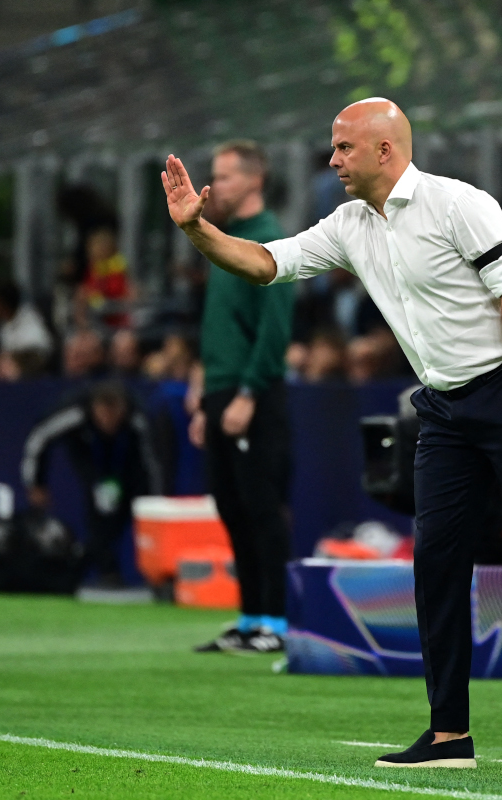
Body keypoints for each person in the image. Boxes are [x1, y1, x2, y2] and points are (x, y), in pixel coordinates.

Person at [161, 99, 502, 774]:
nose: (331, 161)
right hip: (444, 410)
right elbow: (266, 263)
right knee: (437, 562)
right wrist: (197, 230)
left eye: (342, 149)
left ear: (384, 151)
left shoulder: (459, 203)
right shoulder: (349, 224)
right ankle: (450, 735)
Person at [183, 140, 295, 655]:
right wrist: (203, 394)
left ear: (254, 180)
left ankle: (276, 620)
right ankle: (250, 618)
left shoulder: (269, 240)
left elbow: (274, 331)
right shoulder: (221, 240)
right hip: (220, 392)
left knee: (261, 508)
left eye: (224, 177)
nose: (215, 186)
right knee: (230, 506)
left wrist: (247, 394)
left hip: (254, 394)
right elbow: (217, 328)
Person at [21, 381, 163, 587]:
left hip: (129, 465)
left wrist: (155, 498)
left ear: (123, 408)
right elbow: (39, 439)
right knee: (99, 515)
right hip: (90, 458)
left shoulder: (138, 418)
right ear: (94, 408)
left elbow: (152, 460)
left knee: (134, 512)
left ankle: (154, 574)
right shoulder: (73, 412)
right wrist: (35, 483)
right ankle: (106, 571)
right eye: (103, 415)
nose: (109, 422)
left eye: (115, 415)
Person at [0, 279, 54, 367]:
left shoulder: (28, 317)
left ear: (2, 301)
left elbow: (41, 349)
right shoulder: (1, 324)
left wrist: (14, 357)